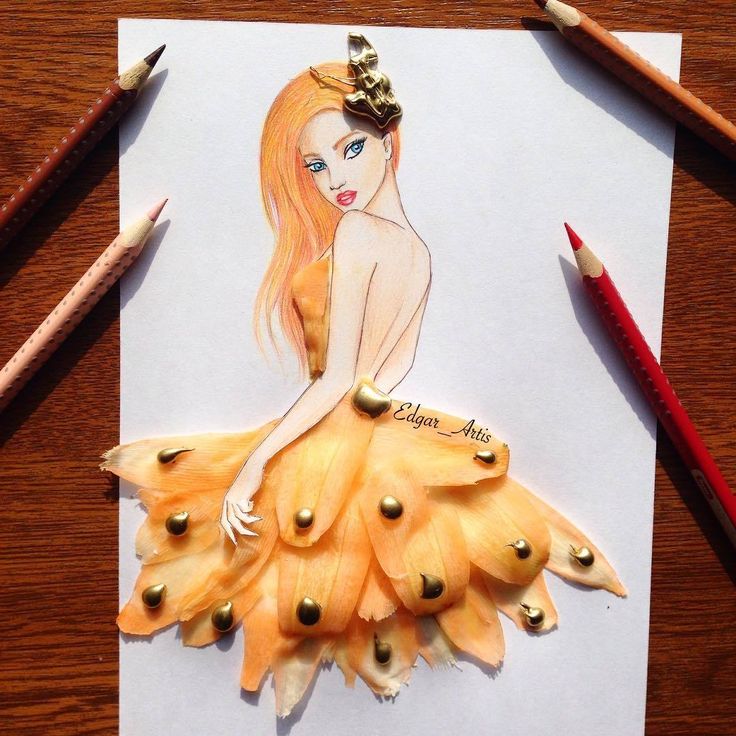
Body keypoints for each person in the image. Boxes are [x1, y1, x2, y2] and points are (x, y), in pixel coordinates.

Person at [102, 37, 625, 718]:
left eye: (350, 149)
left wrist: (257, 461)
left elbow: (339, 377)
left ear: (387, 138)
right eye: (316, 166)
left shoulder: (357, 233)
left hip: (333, 424)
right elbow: (390, 370)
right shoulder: (416, 250)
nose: (334, 179)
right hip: (371, 422)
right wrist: (394, 420)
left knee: (252, 557)